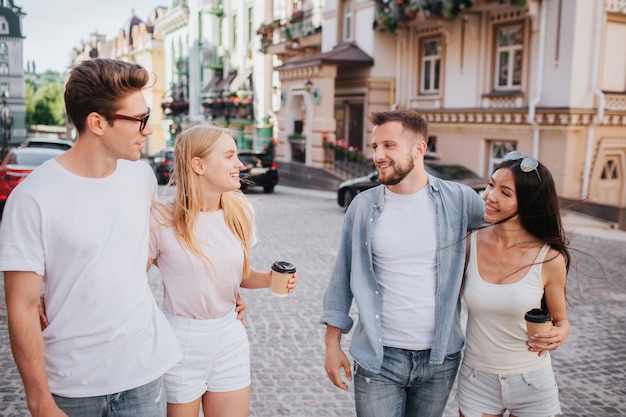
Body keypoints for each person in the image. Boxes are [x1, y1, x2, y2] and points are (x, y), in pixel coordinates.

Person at [0, 58, 182, 417]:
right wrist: (40, 403)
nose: (148, 130)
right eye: (140, 120)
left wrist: (224, 287)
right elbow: (19, 306)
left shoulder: (142, 177)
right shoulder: (33, 197)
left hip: (143, 374)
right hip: (71, 384)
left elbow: (141, 254)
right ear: (97, 122)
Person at [321, 109, 486, 417]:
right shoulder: (362, 207)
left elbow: (504, 242)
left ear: (419, 149)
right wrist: (332, 345)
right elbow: (341, 279)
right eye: (374, 147)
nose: (378, 155)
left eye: (389, 145)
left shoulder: (460, 200)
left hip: (440, 359)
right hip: (379, 359)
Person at [148, 124, 297, 417]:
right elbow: (129, 279)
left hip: (230, 337)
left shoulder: (241, 213)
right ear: (198, 165)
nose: (239, 164)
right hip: (181, 340)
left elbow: (240, 275)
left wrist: (270, 279)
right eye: (229, 156)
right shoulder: (161, 219)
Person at [456, 151, 570, 417]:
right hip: (476, 378)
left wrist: (561, 333)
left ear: (528, 203)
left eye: (505, 193)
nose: (489, 196)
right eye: (491, 184)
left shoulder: (549, 258)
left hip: (531, 381)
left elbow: (561, 320)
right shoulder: (469, 243)